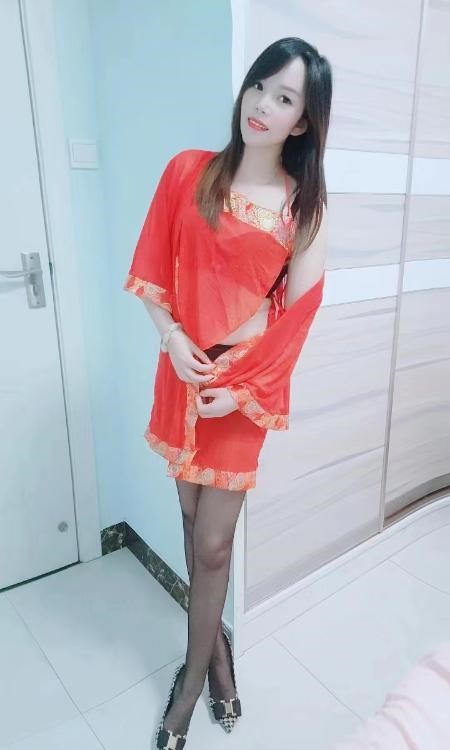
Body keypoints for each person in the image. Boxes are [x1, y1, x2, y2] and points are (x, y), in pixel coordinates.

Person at [123, 36, 332, 750]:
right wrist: (170, 338)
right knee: (190, 521)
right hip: (183, 371)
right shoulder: (189, 170)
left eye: (285, 98)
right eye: (260, 86)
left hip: (241, 388)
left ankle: (190, 681)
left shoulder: (305, 209)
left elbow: (299, 316)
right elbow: (153, 265)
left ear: (303, 121)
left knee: (213, 545)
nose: (263, 105)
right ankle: (218, 657)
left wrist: (242, 389)